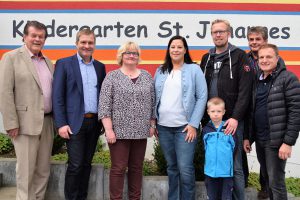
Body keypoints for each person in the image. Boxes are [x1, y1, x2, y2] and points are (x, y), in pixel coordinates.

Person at [0, 20, 54, 200]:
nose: (37, 39)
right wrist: (11, 123)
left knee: (43, 170)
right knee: (26, 171)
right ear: (25, 37)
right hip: (23, 125)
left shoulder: (47, 61)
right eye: (34, 36)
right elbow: (5, 92)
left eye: (41, 36)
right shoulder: (11, 57)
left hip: (46, 123)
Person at [200, 19, 253, 200]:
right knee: (214, 164)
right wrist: (203, 119)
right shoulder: (206, 58)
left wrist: (236, 118)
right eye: (215, 32)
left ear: (229, 33)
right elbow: (201, 90)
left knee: (235, 166)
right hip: (211, 122)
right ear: (211, 34)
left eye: (222, 31)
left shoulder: (240, 56)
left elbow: (245, 91)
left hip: (231, 121)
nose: (218, 35)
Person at [52, 28, 106, 200]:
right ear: (76, 43)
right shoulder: (64, 63)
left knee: (86, 164)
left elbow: (103, 97)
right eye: (83, 42)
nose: (87, 46)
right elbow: (57, 96)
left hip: (94, 123)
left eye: (90, 42)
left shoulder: (99, 67)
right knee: (75, 165)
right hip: (74, 123)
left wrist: (103, 121)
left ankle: (81, 197)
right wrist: (61, 123)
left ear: (94, 45)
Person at [98, 41, 155, 200]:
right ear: (121, 56)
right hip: (118, 133)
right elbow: (104, 105)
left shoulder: (146, 76)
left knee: (137, 168)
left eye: (135, 53)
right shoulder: (112, 77)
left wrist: (152, 124)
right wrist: (108, 129)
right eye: (128, 53)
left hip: (140, 132)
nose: (131, 56)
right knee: (118, 168)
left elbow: (152, 102)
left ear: (138, 57)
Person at [243, 44, 300, 200]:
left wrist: (287, 142)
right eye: (261, 57)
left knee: (276, 182)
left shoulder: (288, 78)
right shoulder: (257, 80)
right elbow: (252, 111)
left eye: (268, 57)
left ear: (277, 58)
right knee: (267, 180)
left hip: (277, 141)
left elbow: (296, 113)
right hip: (261, 140)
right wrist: (248, 137)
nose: (264, 60)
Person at [155, 35, 207, 200]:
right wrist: (153, 122)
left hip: (185, 128)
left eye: (179, 47)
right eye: (172, 47)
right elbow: (153, 97)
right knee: (172, 168)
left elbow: (202, 96)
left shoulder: (194, 70)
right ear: (168, 50)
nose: (175, 50)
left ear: (185, 50)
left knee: (185, 168)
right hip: (163, 127)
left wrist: (193, 124)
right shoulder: (161, 70)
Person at [246, 26, 269, 199]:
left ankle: (265, 189)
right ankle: (243, 183)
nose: (254, 42)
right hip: (246, 113)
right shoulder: (243, 59)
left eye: (257, 39)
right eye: (251, 39)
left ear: (265, 41)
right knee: (240, 150)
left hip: (263, 114)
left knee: (265, 155)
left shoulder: (275, 60)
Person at [203, 97, 235, 200]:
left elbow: (234, 146)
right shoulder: (206, 129)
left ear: (224, 112)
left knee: (226, 197)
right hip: (210, 171)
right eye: (213, 111)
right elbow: (205, 147)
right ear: (208, 112)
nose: (216, 114)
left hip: (225, 171)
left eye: (219, 111)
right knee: (211, 196)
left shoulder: (228, 128)